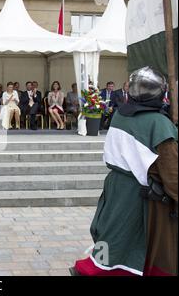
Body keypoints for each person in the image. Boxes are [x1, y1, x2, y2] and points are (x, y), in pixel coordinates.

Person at [71, 67, 178, 277]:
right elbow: (172, 174)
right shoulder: (158, 123)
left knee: (111, 236)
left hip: (116, 188)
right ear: (160, 93)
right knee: (140, 248)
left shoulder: (121, 115)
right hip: (140, 198)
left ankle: (97, 266)